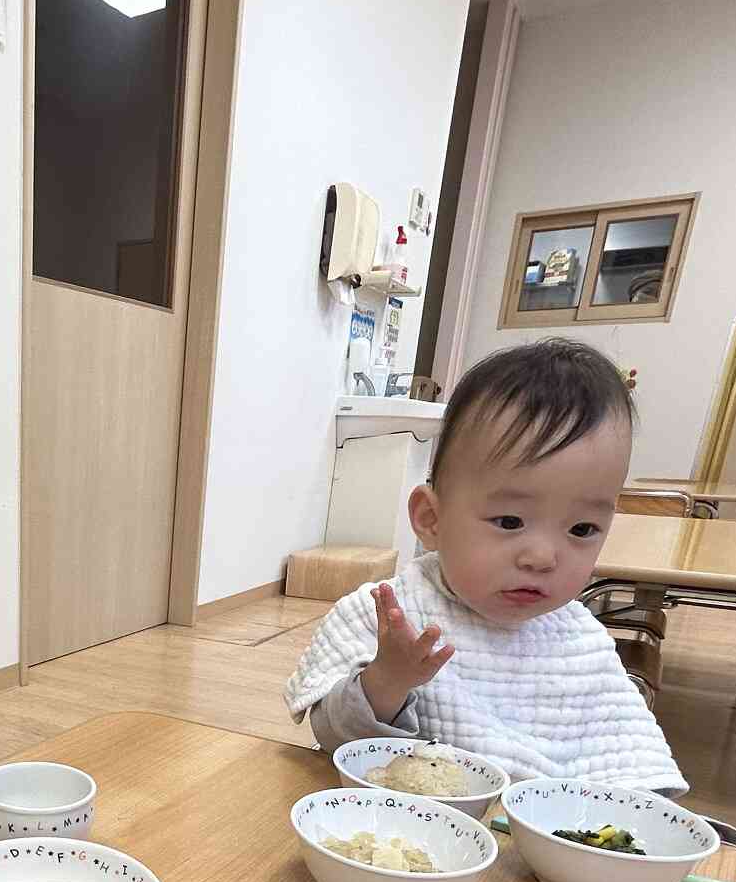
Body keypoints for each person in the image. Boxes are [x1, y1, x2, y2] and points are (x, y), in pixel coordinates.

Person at [285, 337, 686, 793]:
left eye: (581, 530)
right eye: (510, 521)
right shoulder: (392, 615)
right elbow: (335, 739)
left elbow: (634, 764)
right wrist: (386, 681)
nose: (542, 557)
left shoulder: (580, 640)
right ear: (431, 519)